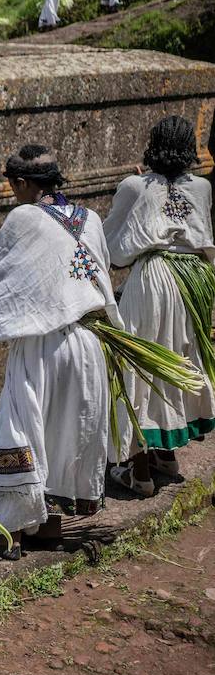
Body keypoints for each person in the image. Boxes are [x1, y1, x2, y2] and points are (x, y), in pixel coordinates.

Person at [0, 146, 118, 559]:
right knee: (67, 431)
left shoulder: (23, 218)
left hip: (43, 344)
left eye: (14, 185)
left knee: (24, 429)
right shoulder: (91, 219)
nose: (13, 193)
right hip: (88, 345)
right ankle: (48, 524)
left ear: (24, 183)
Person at [104, 117, 215, 497]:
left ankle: (139, 473)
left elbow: (113, 250)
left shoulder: (135, 186)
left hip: (155, 276)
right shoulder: (202, 187)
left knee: (141, 362)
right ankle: (166, 455)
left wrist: (136, 188)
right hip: (196, 279)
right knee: (178, 358)